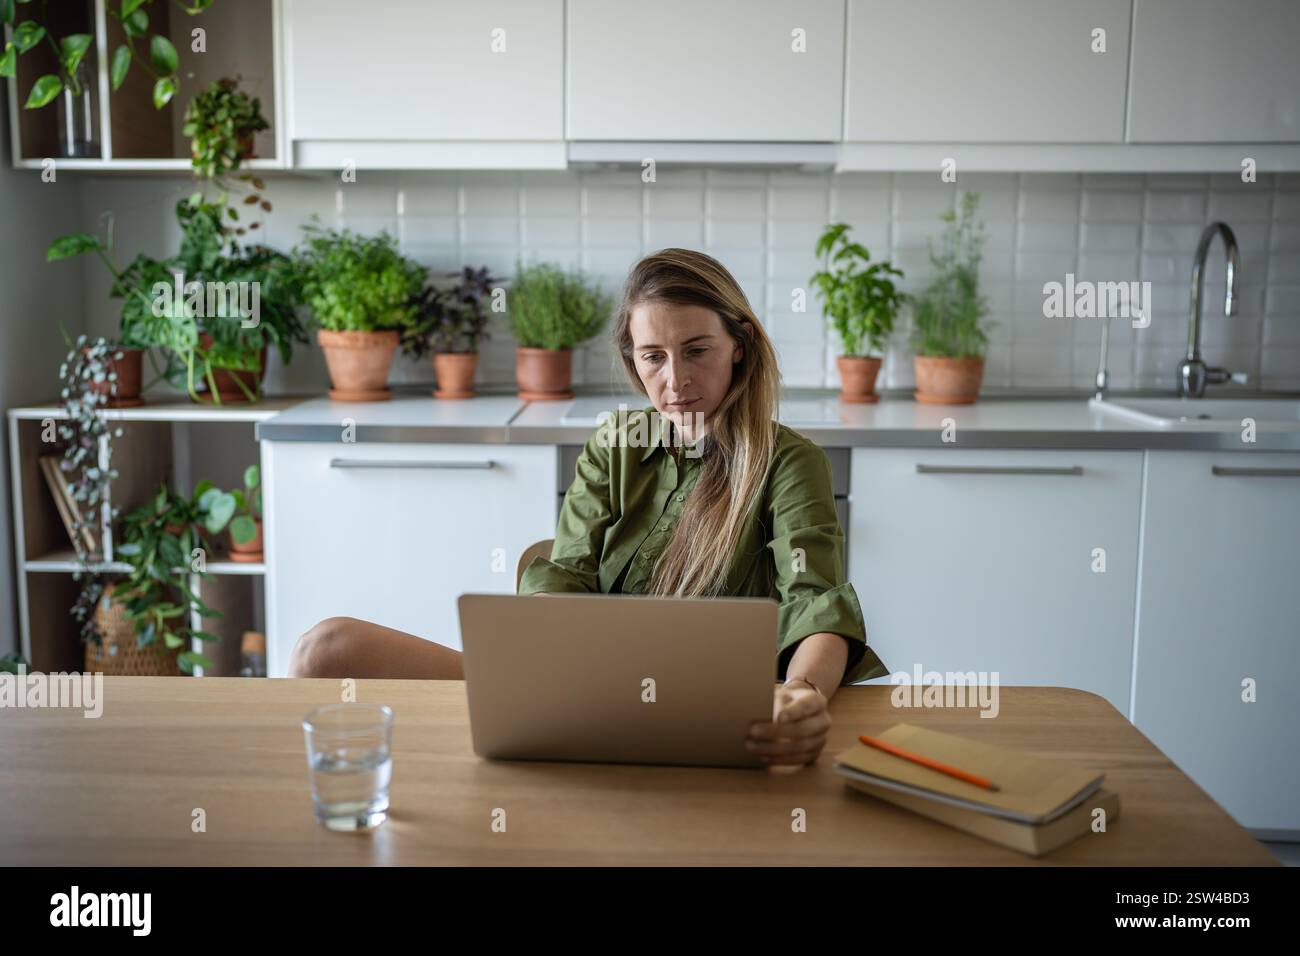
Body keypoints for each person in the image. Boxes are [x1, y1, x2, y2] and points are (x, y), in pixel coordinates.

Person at [290, 247, 888, 767]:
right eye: (653, 356)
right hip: (582, 696)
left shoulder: (789, 461)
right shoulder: (614, 443)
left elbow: (817, 607)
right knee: (328, 649)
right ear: (635, 361)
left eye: (697, 349)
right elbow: (565, 573)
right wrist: (551, 667)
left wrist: (805, 691)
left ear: (740, 345)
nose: (675, 380)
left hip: (706, 713)